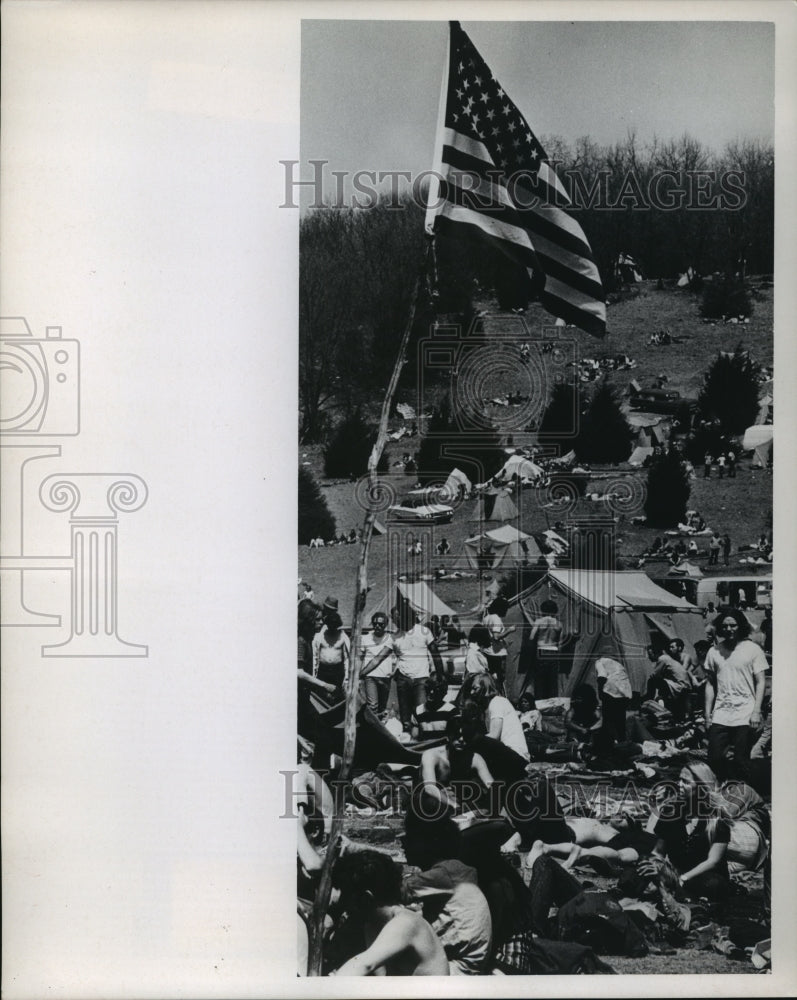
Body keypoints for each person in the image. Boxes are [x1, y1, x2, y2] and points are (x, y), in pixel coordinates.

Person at [330, 851, 450, 975]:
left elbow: (364, 964)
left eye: (345, 895)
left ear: (366, 899)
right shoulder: (372, 926)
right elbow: (381, 978)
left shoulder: (406, 923)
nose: (340, 902)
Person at [704, 608, 767, 782]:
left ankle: (744, 792)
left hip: (745, 712)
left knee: (741, 760)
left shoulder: (753, 649)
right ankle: (724, 787)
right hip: (721, 712)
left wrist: (756, 711)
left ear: (740, 626)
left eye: (733, 625)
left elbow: (761, 682)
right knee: (715, 758)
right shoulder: (714, 652)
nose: (729, 629)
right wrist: (707, 715)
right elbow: (710, 684)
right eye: (725, 626)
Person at [402, 856, 493, 975]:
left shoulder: (449, 871)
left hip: (456, 967)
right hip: (468, 963)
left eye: (412, 843)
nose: (404, 846)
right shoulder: (458, 870)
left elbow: (399, 890)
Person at [367, 604, 444, 732]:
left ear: (406, 616)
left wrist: (440, 677)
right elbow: (378, 659)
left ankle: (423, 739)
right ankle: (407, 738)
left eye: (396, 619)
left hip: (422, 680)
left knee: (422, 716)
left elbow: (436, 655)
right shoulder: (394, 637)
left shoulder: (424, 631)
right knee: (405, 720)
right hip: (403, 681)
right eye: (393, 619)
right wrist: (361, 673)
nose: (394, 622)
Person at [466, 673, 530, 761]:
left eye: (475, 688)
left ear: (485, 687)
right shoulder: (488, 708)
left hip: (516, 755)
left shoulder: (497, 702)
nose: (471, 692)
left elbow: (494, 736)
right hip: (508, 754)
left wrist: (471, 743)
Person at [360, 612, 395, 718]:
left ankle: (380, 726)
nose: (377, 626)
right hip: (370, 676)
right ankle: (371, 726)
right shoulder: (365, 638)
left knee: (383, 707)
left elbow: (400, 656)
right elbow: (360, 658)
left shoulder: (391, 638)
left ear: (386, 624)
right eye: (375, 624)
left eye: (381, 624)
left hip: (385, 677)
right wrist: (359, 675)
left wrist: (394, 671)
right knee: (372, 706)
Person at [645, 644, 692, 722]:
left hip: (680, 685)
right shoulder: (667, 658)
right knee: (660, 683)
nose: (649, 657)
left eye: (650, 654)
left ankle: (649, 702)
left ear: (656, 653)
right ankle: (660, 704)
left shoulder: (662, 659)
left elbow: (654, 675)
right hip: (682, 684)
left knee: (652, 681)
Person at [594, 656, 632, 747]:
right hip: (623, 692)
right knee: (620, 719)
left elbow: (602, 676)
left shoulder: (599, 662)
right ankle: (622, 741)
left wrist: (600, 693)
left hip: (611, 690)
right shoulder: (617, 663)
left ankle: (608, 742)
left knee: (608, 718)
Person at [312, 610, 350, 691]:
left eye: (334, 625)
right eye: (330, 624)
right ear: (327, 624)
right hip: (322, 670)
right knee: (321, 693)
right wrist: (313, 675)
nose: (332, 627)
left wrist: (347, 678)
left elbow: (347, 659)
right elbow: (314, 656)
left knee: (337, 693)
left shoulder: (343, 637)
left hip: (337, 671)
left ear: (338, 625)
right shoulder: (319, 636)